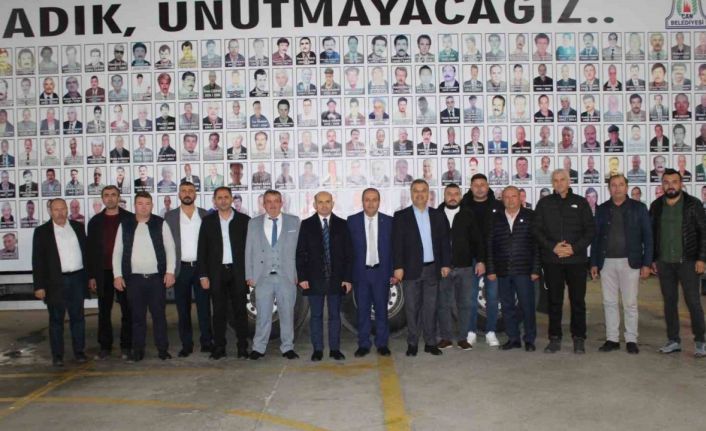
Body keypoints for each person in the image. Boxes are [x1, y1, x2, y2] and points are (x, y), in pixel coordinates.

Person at [533, 169, 595, 354]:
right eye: (555, 180)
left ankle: (579, 337)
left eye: (562, 180)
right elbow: (536, 230)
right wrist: (553, 247)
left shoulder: (581, 202)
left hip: (576, 261)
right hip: (552, 260)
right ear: (552, 183)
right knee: (554, 301)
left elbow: (590, 230)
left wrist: (573, 248)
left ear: (569, 182)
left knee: (578, 301)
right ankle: (554, 337)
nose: (559, 183)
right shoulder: (544, 203)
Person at [590, 175, 652, 355]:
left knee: (630, 303)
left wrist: (647, 263)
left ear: (626, 187)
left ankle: (631, 339)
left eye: (621, 185)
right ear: (609, 188)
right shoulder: (602, 209)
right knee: (609, 302)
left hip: (630, 262)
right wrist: (593, 263)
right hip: (606, 263)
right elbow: (596, 238)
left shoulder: (639, 208)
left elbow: (648, 237)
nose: (617, 188)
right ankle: (612, 339)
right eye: (613, 185)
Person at [649, 169, 706, 357]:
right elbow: (652, 235)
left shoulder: (693, 204)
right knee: (669, 302)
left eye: (674, 182)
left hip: (688, 262)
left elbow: (703, 232)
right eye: (666, 182)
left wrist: (702, 258)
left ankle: (700, 341)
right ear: (662, 185)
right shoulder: (656, 206)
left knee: (693, 302)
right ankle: (673, 340)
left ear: (681, 184)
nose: (670, 186)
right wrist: (653, 259)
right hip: (664, 263)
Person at [112, 193, 176, 362]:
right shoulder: (125, 224)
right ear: (135, 206)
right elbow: (117, 251)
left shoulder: (160, 223)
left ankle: (163, 349)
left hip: (156, 279)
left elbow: (170, 249)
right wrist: (117, 275)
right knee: (137, 317)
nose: (144, 207)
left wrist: (170, 271)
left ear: (152, 206)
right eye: (140, 203)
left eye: (147, 203)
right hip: (134, 280)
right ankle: (138, 350)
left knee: (159, 316)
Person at [392, 180, 451, 356]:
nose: (419, 194)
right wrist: (398, 266)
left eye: (423, 191)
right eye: (416, 191)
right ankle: (412, 343)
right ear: (411, 194)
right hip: (410, 270)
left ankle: (430, 343)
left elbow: (444, 242)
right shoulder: (401, 216)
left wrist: (446, 263)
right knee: (412, 309)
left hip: (433, 269)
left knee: (431, 308)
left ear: (428, 194)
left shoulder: (437, 215)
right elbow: (397, 245)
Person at [246, 189, 301, 360]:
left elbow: (300, 251)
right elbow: (249, 250)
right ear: (264, 204)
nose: (272, 205)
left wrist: (298, 273)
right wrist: (249, 275)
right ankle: (258, 348)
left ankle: (287, 347)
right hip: (262, 277)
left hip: (287, 276)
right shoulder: (254, 223)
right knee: (262, 315)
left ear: (281, 203)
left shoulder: (294, 221)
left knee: (287, 314)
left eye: (276, 201)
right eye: (268, 201)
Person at [296, 192, 352, 361]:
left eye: (327, 202)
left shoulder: (343, 225)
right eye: (320, 202)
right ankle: (318, 350)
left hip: (337, 279)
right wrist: (302, 277)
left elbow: (349, 254)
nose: (324, 205)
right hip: (313, 279)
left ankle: (335, 349)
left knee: (335, 315)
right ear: (315, 205)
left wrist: (347, 278)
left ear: (332, 204)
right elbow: (300, 253)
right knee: (316, 316)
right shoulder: (306, 225)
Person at [33, 198, 88, 367]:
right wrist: (39, 286)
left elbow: (86, 253)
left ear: (67, 210)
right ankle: (57, 355)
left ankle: (79, 352)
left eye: (63, 209)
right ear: (50, 211)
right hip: (55, 282)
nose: (60, 213)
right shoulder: (42, 232)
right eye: (56, 209)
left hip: (77, 279)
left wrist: (90, 277)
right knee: (56, 320)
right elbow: (38, 261)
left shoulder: (78, 227)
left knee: (78, 318)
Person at [197, 187, 251, 359]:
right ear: (214, 201)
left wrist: (250, 273)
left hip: (238, 272)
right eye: (219, 197)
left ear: (231, 199)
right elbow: (202, 250)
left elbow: (251, 250)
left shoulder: (244, 220)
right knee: (219, 312)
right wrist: (203, 275)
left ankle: (242, 347)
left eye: (226, 197)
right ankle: (219, 347)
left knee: (240, 311)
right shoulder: (208, 221)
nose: (223, 200)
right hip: (216, 273)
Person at [487, 186, 540, 351]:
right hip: (502, 270)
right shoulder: (495, 218)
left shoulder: (531, 216)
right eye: (506, 197)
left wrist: (536, 269)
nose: (510, 200)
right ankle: (513, 338)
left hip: (524, 270)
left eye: (514, 196)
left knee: (527, 306)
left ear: (520, 198)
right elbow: (490, 245)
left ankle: (529, 339)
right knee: (507, 306)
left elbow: (537, 245)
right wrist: (491, 269)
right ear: (502, 199)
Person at [164, 183, 212, 357]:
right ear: (179, 194)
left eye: (191, 191)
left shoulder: (205, 215)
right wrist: (169, 270)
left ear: (195, 195)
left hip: (201, 268)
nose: (187, 194)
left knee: (204, 308)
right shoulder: (170, 216)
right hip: (181, 269)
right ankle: (186, 344)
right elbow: (167, 245)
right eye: (184, 191)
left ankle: (207, 342)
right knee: (183, 310)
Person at [86, 186, 133, 360]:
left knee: (127, 310)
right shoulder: (95, 222)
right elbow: (90, 251)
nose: (110, 198)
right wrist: (91, 276)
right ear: (102, 199)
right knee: (104, 311)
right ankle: (105, 346)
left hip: (125, 271)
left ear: (119, 197)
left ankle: (126, 346)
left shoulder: (129, 218)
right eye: (106, 195)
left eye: (113, 195)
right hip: (103, 272)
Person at [436, 184, 485, 350]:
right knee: (443, 304)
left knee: (465, 304)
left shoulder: (468, 214)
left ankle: (463, 338)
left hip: (465, 267)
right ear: (444, 196)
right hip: (443, 268)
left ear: (460, 196)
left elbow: (478, 240)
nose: (452, 197)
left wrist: (480, 260)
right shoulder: (436, 215)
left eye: (456, 194)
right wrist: (439, 263)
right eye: (449, 194)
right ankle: (446, 338)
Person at [346, 188, 394, 357]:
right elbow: (347, 251)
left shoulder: (389, 222)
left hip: (381, 273)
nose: (371, 203)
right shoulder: (352, 221)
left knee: (382, 311)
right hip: (361, 274)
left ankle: (382, 344)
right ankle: (363, 344)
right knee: (362, 311)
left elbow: (394, 249)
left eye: (374, 200)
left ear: (379, 202)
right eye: (367, 199)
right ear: (362, 202)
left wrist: (393, 271)